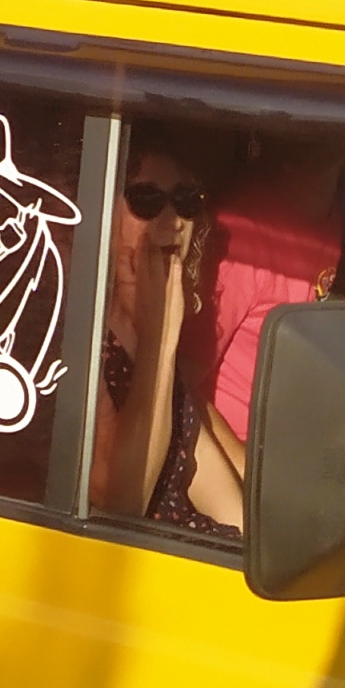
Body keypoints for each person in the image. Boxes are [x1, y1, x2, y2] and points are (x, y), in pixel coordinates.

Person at [186, 132, 345, 526]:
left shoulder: (335, 211)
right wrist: (258, 480)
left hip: (313, 456)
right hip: (254, 472)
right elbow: (179, 383)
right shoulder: (241, 233)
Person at [89, 128, 238, 535]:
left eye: (186, 201)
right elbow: (121, 502)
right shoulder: (76, 338)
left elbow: (235, 512)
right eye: (147, 200)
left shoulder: (146, 341)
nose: (172, 221)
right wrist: (159, 339)